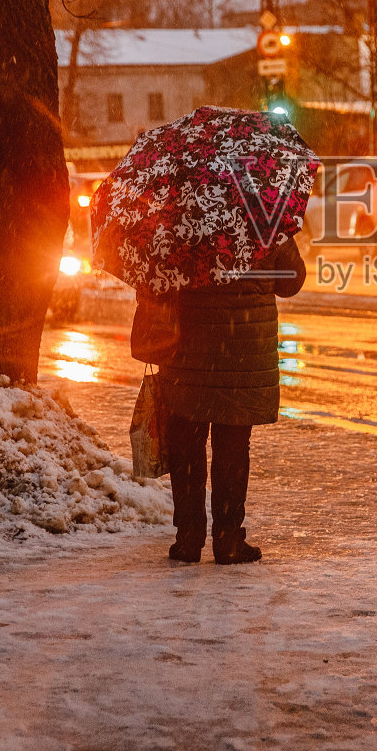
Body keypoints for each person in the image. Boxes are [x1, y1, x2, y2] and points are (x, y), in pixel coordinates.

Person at [130, 236, 307, 565]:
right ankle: (227, 541)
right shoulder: (265, 218)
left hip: (187, 353)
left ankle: (188, 537)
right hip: (243, 353)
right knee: (233, 448)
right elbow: (291, 282)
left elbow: (155, 280)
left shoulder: (180, 215)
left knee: (186, 446)